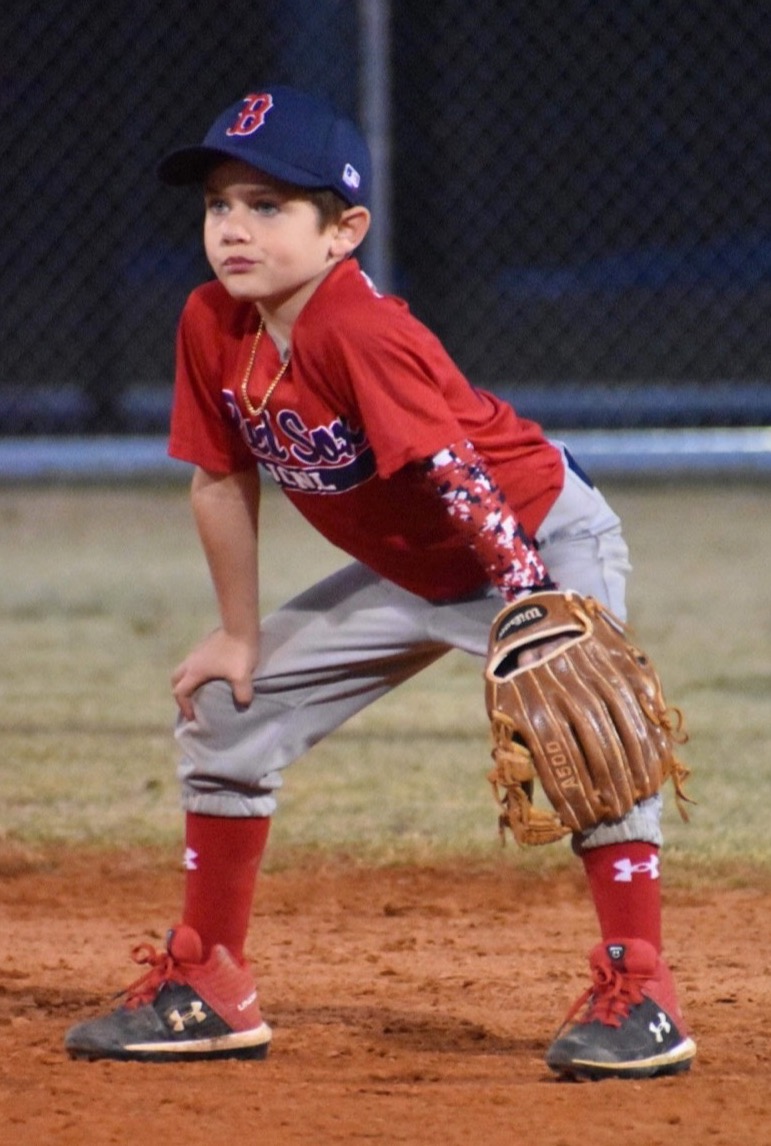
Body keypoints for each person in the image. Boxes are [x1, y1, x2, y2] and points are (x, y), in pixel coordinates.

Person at [64, 85, 696, 1079]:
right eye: (218, 204)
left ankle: (642, 991)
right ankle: (209, 985)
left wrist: (532, 605)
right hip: (412, 572)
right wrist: (237, 634)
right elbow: (219, 479)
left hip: (530, 536)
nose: (233, 228)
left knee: (587, 732)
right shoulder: (209, 322)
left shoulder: (357, 328)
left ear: (343, 231)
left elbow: (457, 474)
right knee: (228, 709)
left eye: (268, 205)